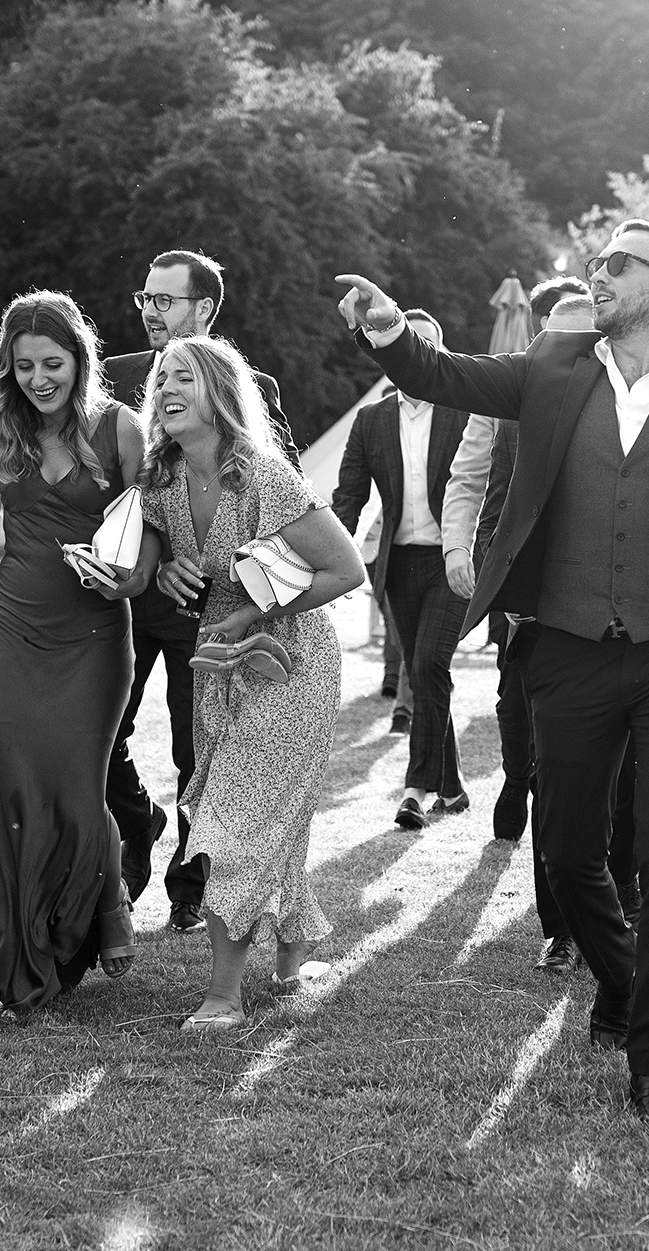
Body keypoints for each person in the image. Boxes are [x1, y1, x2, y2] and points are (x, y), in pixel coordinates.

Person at [337, 218, 649, 1128]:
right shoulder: (556, 362)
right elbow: (438, 374)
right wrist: (385, 330)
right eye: (595, 263)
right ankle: (622, 978)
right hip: (566, 645)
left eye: (615, 266)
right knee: (567, 857)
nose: (594, 276)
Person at [0, 292, 148, 1012]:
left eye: (53, 364)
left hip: (94, 636)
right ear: (6, 370)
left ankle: (102, 910)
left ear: (80, 360)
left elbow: (148, 538)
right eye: (23, 367)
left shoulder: (120, 428)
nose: (39, 379)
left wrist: (126, 580)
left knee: (79, 789)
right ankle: (27, 958)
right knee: (15, 797)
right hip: (6, 634)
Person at [123, 335, 362, 1030]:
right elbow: (160, 562)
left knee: (235, 818)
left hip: (292, 663)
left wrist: (256, 610)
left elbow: (346, 572)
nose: (166, 388)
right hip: (220, 662)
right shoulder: (159, 482)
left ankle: (224, 994)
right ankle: (291, 960)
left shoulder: (265, 475)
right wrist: (167, 571)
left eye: (185, 379)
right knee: (250, 807)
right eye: (161, 378)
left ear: (220, 395)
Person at [101, 249, 296, 935]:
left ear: (204, 310)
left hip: (205, 608)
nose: (150, 311)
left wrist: (211, 561)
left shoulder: (251, 385)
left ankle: (188, 886)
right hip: (123, 599)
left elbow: (279, 498)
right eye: (145, 299)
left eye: (166, 300)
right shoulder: (112, 378)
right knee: (101, 735)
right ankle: (139, 823)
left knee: (198, 751)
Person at [440, 276, 590, 972]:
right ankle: (558, 924)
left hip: (610, 610)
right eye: (552, 330)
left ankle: (620, 900)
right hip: (525, 602)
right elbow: (469, 474)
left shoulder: (630, 401)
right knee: (537, 751)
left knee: (608, 772)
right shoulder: (510, 390)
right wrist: (455, 547)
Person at [332, 309, 472, 830]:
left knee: (429, 666)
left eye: (427, 347)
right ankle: (454, 788)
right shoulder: (371, 421)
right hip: (397, 566)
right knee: (423, 669)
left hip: (452, 562)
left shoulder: (466, 412)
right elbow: (347, 498)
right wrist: (328, 555)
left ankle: (415, 788)